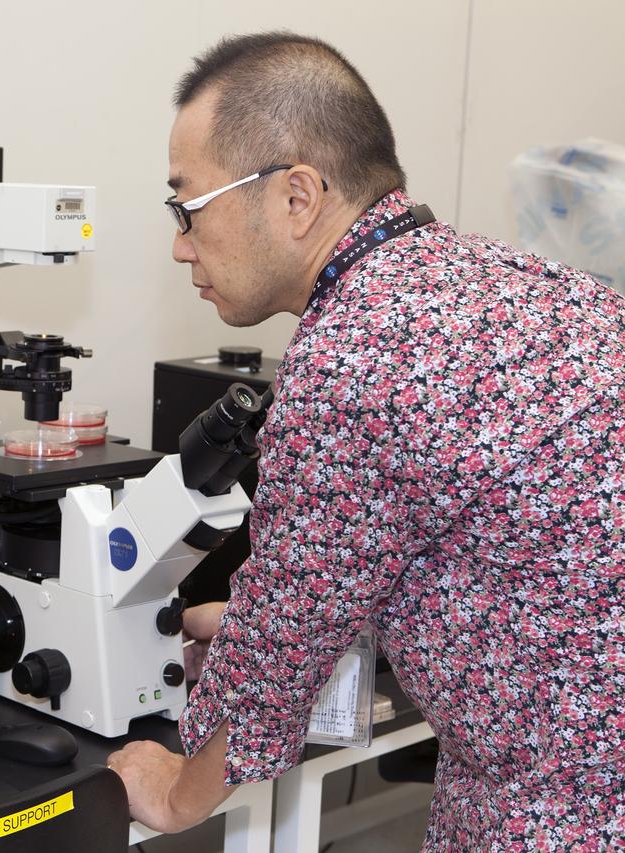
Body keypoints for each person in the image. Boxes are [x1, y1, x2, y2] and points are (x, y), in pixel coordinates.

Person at [107, 31, 625, 849]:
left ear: (297, 197)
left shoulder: (354, 350)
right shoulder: (522, 282)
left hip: (571, 811)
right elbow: (469, 539)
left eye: (188, 205)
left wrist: (176, 791)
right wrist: (254, 617)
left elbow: (281, 645)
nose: (179, 242)